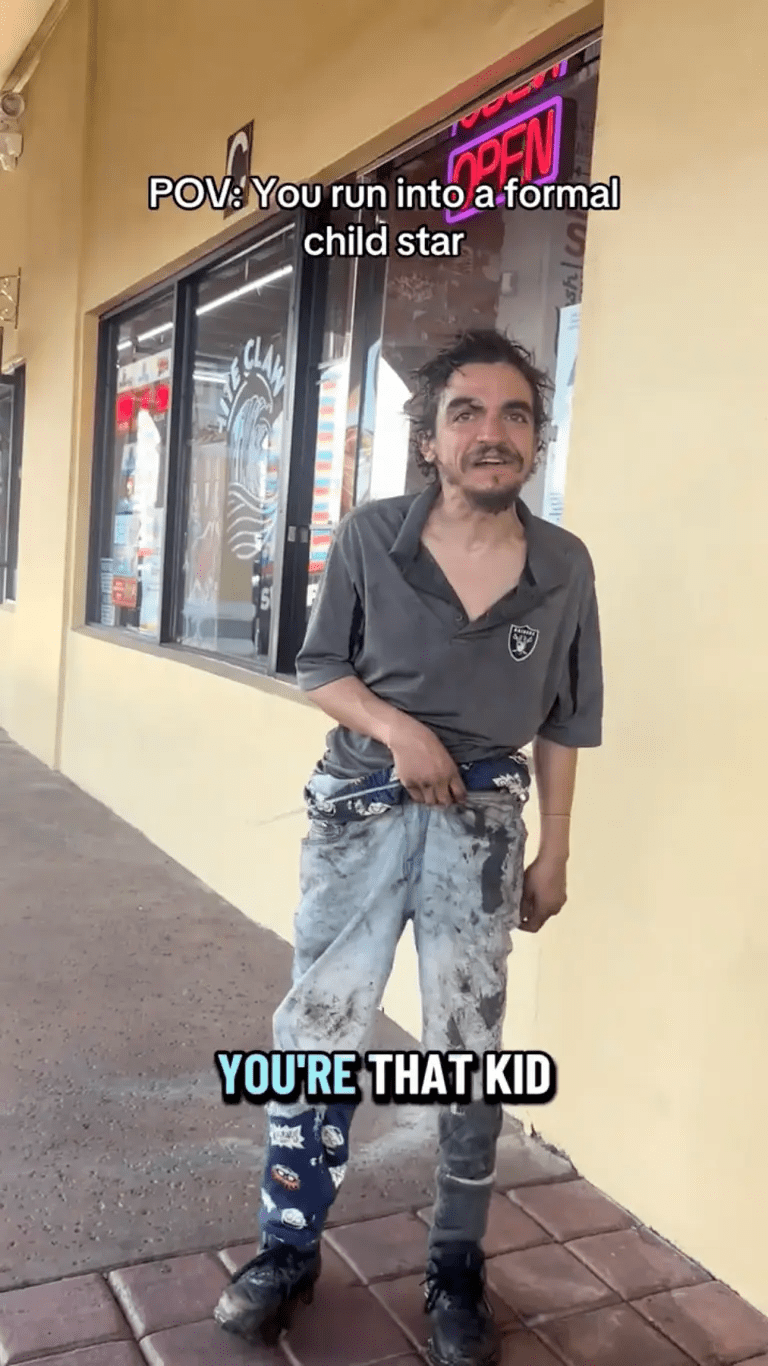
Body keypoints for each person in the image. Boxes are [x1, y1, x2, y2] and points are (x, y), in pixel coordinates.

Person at [214, 329, 603, 1365]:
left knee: (469, 1046)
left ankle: (456, 1266)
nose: (492, 432)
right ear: (429, 439)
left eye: (515, 414)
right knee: (321, 1024)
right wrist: (398, 730)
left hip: (484, 830)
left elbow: (566, 719)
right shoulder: (370, 537)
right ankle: (286, 1249)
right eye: (465, 413)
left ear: (537, 439)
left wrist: (556, 851)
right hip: (359, 811)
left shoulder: (564, 565)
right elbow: (319, 668)